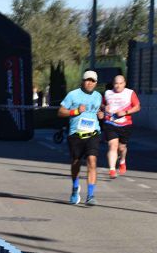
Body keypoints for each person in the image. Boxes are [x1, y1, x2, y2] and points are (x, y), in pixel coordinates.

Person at [57, 70, 104, 205]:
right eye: (87, 80)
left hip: (93, 133)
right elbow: (60, 112)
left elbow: (98, 111)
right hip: (76, 134)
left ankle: (90, 195)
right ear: (82, 81)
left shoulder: (98, 96)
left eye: (93, 81)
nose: (90, 83)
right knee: (76, 163)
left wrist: (101, 115)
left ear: (96, 83)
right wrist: (75, 111)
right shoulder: (73, 95)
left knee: (92, 161)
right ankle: (75, 187)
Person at [101, 74, 140, 179]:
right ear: (113, 84)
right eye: (116, 83)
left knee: (121, 148)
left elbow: (137, 107)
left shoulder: (130, 93)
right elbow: (102, 104)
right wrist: (105, 107)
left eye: (120, 83)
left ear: (124, 83)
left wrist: (125, 112)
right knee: (112, 146)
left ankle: (122, 160)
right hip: (110, 123)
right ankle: (112, 170)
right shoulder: (108, 93)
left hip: (125, 124)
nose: (118, 86)